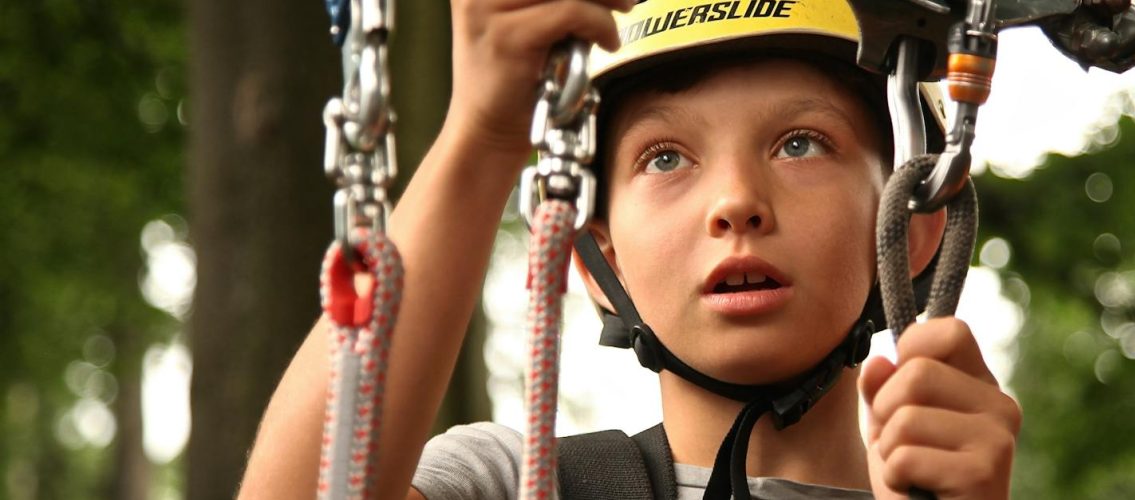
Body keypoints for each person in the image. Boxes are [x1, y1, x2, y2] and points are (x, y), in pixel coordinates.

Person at [238, 1, 1021, 499]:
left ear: (912, 225)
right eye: (666, 158)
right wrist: (481, 137)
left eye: (800, 143)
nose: (736, 202)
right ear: (594, 262)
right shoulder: (517, 486)